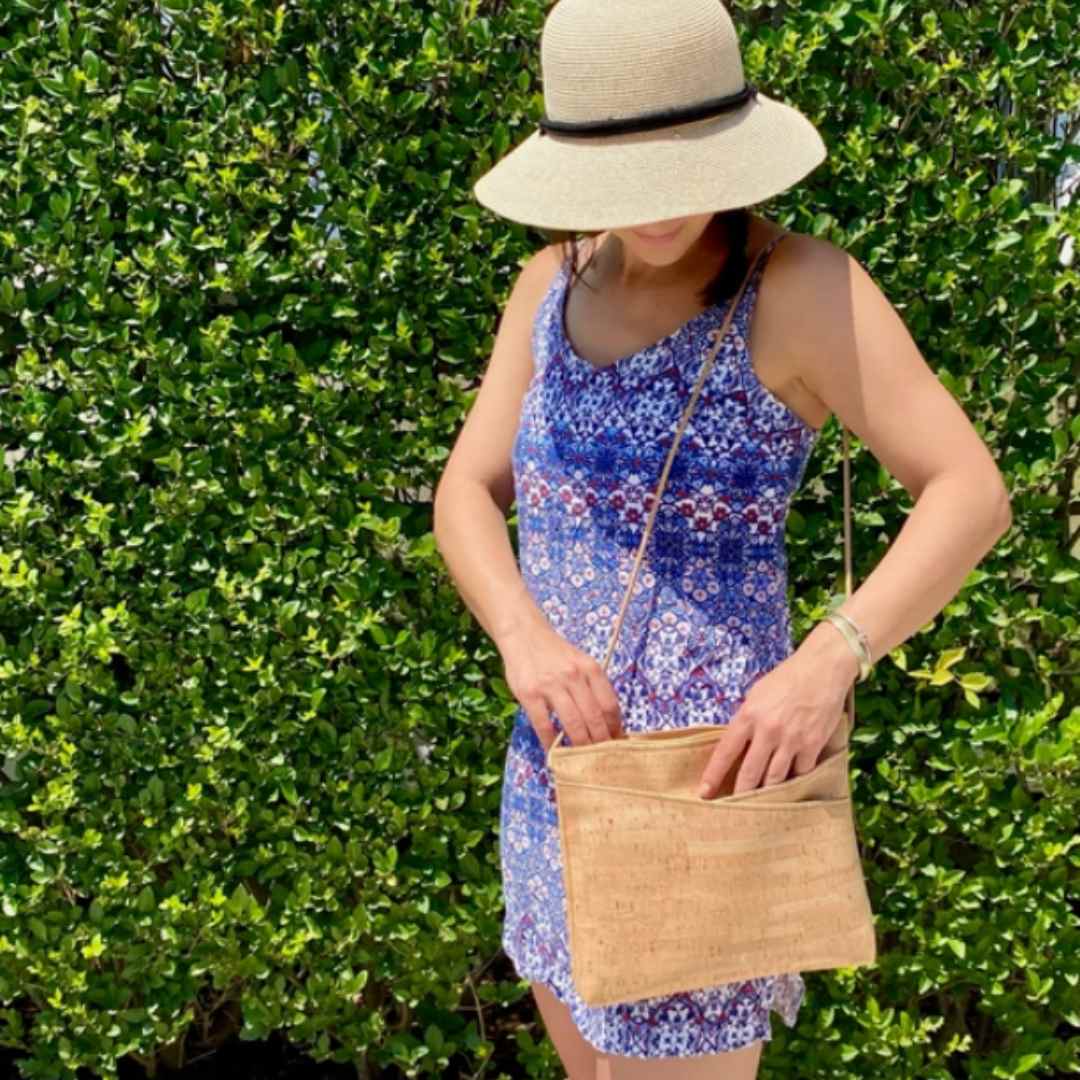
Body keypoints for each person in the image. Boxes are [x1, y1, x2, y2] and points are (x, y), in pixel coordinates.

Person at [433, 1, 1012, 1077]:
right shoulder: (548, 284)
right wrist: (523, 639)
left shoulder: (798, 289)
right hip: (558, 776)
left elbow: (969, 492)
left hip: (711, 790)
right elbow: (466, 489)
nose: (662, 206)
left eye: (684, 167)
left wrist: (829, 663)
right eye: (627, 175)